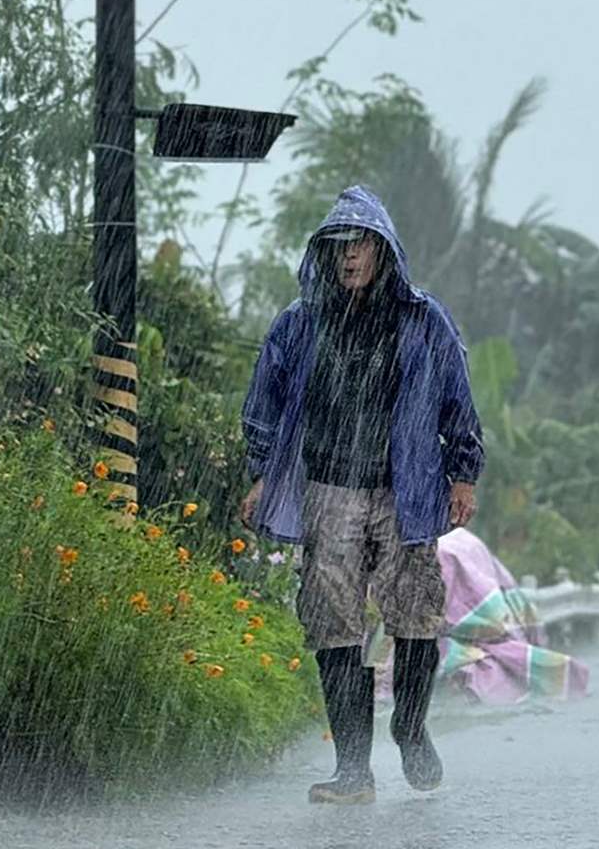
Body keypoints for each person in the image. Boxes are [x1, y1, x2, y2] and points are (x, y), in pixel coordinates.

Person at [239, 186, 484, 805]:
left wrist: (463, 470)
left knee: (416, 615)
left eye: (362, 244)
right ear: (325, 252)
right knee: (333, 624)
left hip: (405, 488)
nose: (350, 256)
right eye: (340, 245)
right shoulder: (300, 323)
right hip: (329, 487)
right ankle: (353, 768)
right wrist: (263, 471)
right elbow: (265, 403)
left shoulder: (421, 318)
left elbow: (457, 394)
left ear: (383, 251)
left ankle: (409, 728)